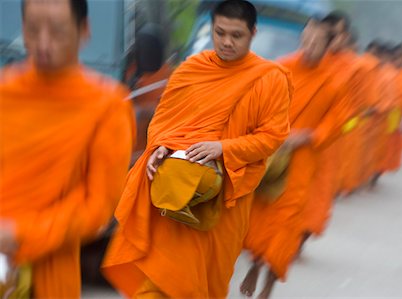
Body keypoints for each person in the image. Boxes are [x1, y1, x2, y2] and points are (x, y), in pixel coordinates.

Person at [101, 1, 292, 298]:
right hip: (176, 193)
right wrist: (160, 147)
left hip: (224, 203)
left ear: (253, 33)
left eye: (236, 35)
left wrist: (222, 148)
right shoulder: (191, 70)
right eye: (220, 32)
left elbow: (272, 138)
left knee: (205, 284)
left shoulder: (269, 79)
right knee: (159, 281)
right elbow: (163, 121)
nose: (227, 42)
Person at [0, 0, 135, 297]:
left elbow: (98, 208)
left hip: (49, 271)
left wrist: (22, 234)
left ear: (83, 30)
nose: (44, 43)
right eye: (33, 30)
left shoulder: (106, 106)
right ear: (23, 28)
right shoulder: (5, 93)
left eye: (58, 31)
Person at [240, 18, 349, 299]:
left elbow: (339, 120)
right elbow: (261, 103)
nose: (310, 47)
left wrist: (309, 136)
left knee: (287, 222)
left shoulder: (335, 81)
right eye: (307, 41)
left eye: (317, 43)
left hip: (303, 160)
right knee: (260, 216)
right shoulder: (283, 67)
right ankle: (254, 262)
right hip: (273, 152)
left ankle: (269, 284)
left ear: (328, 46)